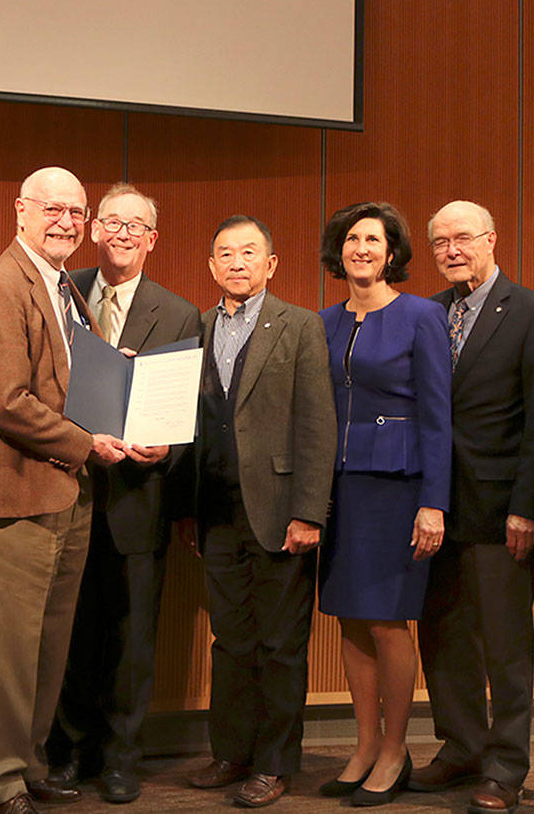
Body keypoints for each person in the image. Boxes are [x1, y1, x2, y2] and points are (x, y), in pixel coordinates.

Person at [0, 166, 128, 814]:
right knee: (8, 653)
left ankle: (27, 763)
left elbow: (70, 380)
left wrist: (125, 391)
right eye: (52, 209)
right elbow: (5, 401)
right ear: (21, 211)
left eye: (75, 212)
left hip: (66, 493)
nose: (65, 222)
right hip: (17, 495)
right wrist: (89, 444)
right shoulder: (3, 284)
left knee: (46, 647)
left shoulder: (63, 286)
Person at [43, 184, 200, 804]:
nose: (124, 233)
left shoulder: (179, 311)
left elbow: (188, 408)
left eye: (136, 225)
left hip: (139, 498)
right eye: (112, 222)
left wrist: (168, 447)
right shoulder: (63, 291)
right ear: (95, 230)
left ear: (152, 238)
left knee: (133, 642)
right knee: (70, 634)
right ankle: (65, 755)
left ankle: (119, 761)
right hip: (69, 491)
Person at [413, 200, 534, 814]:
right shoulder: (427, 314)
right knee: (442, 636)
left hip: (503, 510)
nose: (452, 250)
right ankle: (461, 748)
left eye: (463, 238)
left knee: (503, 645)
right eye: (440, 241)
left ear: (492, 239)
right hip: (432, 510)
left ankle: (506, 766)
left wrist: (530, 509)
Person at [186, 215, 336, 808]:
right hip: (216, 513)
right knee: (231, 640)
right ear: (212, 266)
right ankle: (231, 752)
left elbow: (317, 424)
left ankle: (274, 763)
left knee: (280, 644)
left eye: (250, 252)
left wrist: (310, 512)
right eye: (225, 253)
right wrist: (186, 512)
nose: (237, 262)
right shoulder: (194, 328)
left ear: (271, 264)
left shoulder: (299, 326)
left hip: (280, 512)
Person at [315, 202, 451, 806]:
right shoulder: (322, 322)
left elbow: (438, 417)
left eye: (373, 239)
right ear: (338, 251)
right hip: (339, 489)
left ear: (392, 252)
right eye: (351, 239)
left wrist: (434, 503)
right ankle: (365, 743)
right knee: (349, 616)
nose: (361, 248)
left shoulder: (421, 316)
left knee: (388, 621)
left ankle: (396, 747)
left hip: (398, 487)